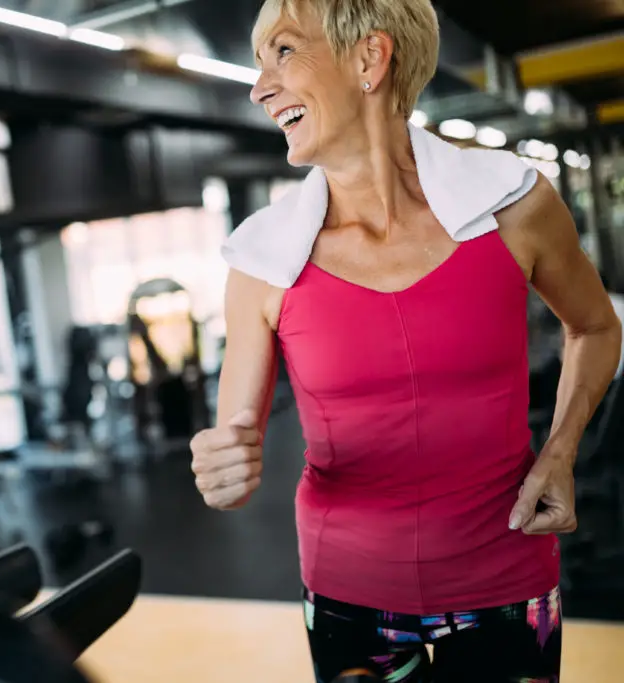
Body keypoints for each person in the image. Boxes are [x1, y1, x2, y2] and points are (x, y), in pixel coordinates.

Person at [188, 1, 622, 681]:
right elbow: (231, 440)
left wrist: (561, 451)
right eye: (257, 62)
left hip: (505, 577)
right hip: (348, 592)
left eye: (283, 52)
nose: (259, 87)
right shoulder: (261, 259)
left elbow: (596, 326)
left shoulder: (514, 205)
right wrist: (222, 471)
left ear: (370, 60)